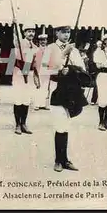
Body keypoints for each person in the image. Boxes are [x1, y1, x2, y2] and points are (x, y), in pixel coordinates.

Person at [44, 25, 88, 172]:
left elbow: (82, 69)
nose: (66, 34)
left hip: (70, 91)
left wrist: (72, 69)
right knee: (60, 125)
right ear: (57, 33)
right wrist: (60, 65)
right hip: (57, 90)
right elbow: (43, 69)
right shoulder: (49, 48)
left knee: (66, 125)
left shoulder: (74, 50)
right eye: (63, 32)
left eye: (68, 32)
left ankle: (65, 160)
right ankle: (58, 160)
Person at [11, 23, 40, 135]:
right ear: (24, 33)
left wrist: (37, 78)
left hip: (30, 74)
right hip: (19, 74)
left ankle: (24, 123)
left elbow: (36, 64)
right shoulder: (19, 43)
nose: (31, 33)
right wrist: (15, 26)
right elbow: (15, 39)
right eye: (29, 31)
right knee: (18, 99)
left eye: (33, 31)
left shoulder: (36, 48)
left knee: (26, 100)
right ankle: (17, 124)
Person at [34, 34, 50, 110]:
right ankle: (37, 104)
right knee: (38, 86)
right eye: (41, 40)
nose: (43, 42)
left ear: (46, 41)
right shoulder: (36, 50)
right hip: (38, 70)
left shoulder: (49, 50)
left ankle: (44, 104)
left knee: (46, 87)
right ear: (39, 41)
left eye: (44, 40)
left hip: (46, 71)